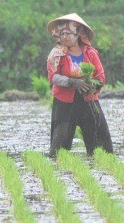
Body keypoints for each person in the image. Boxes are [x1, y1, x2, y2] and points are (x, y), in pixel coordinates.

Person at [47, 13, 112, 157]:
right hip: (65, 103)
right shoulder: (57, 54)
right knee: (60, 145)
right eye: (62, 33)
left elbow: (100, 75)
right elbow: (53, 77)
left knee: (101, 141)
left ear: (78, 34)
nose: (64, 36)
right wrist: (72, 82)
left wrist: (93, 86)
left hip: (88, 100)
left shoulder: (91, 53)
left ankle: (102, 166)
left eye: (68, 33)